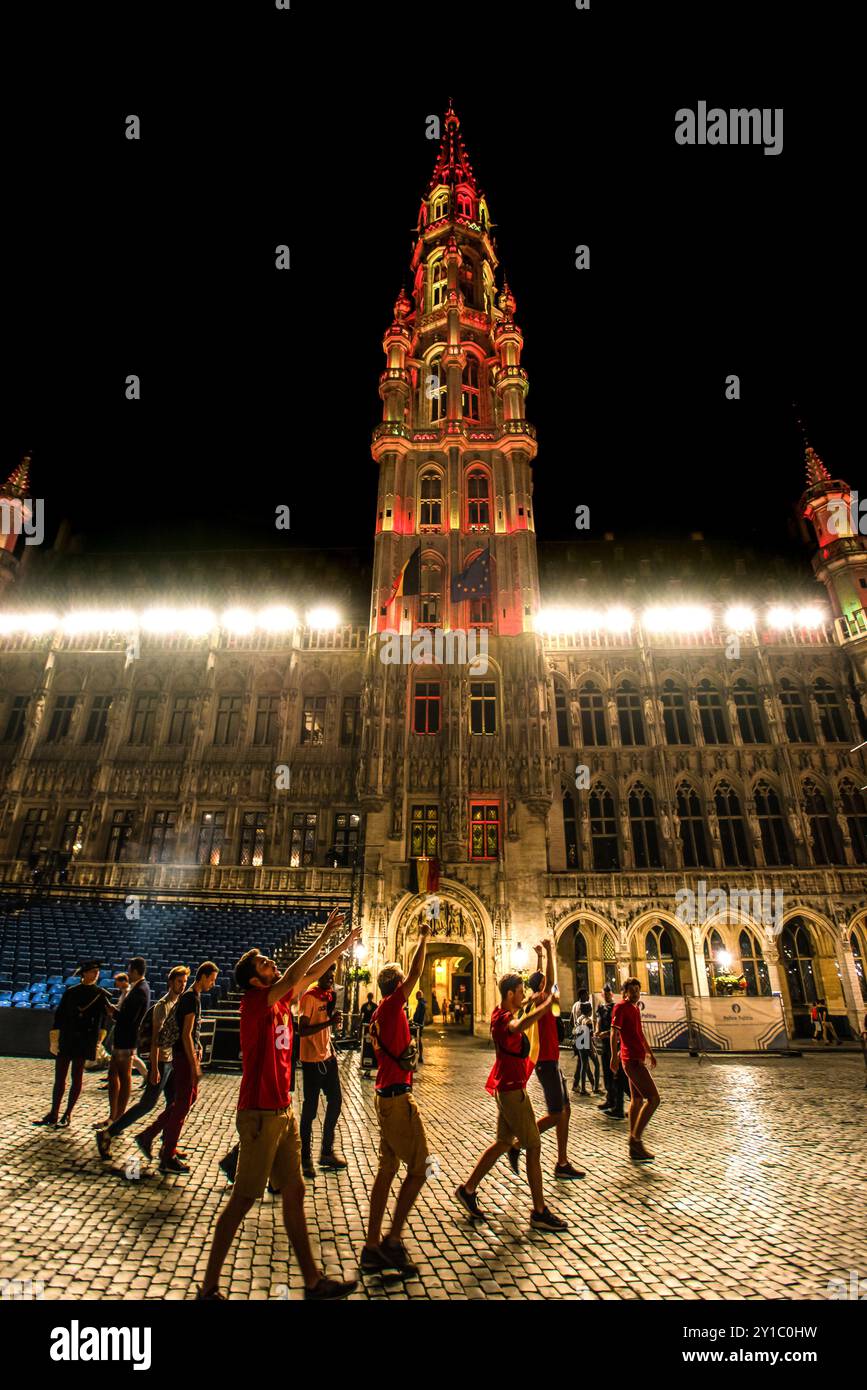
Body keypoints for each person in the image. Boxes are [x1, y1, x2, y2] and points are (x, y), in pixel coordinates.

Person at [198, 908, 360, 1301]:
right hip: (259, 1113)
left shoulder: (280, 998)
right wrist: (322, 933)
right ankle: (208, 1287)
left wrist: (343, 944)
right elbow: (292, 976)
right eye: (264, 963)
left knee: (295, 1191)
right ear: (256, 979)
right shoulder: (255, 1003)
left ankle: (313, 1281)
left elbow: (307, 975)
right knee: (241, 1201)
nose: (271, 962)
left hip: (283, 1110)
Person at [455, 973, 568, 1232]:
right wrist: (543, 1008)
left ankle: (468, 1189)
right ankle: (539, 1210)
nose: (522, 995)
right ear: (509, 994)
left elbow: (539, 992)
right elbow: (519, 1025)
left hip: (507, 1088)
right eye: (519, 991)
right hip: (512, 1092)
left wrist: (547, 959)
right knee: (534, 1146)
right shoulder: (503, 1020)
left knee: (503, 1143)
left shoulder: (499, 1012)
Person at [359, 921, 432, 1279]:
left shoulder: (379, 1014)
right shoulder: (390, 1007)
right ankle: (391, 1239)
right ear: (396, 986)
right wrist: (422, 938)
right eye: (403, 982)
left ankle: (372, 1246)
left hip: (384, 1096)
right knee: (420, 1168)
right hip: (397, 1100)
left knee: (386, 1171)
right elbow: (417, 970)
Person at [508, 941, 583, 1181]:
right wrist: (551, 952)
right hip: (545, 1060)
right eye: (544, 983)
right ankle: (518, 1144)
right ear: (541, 986)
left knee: (566, 1110)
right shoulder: (541, 997)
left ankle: (562, 1160)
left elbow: (542, 980)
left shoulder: (539, 997)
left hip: (552, 1059)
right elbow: (547, 981)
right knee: (556, 1113)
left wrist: (540, 957)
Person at [97, 965, 189, 1160]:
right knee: (147, 1104)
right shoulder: (162, 1006)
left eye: (185, 982)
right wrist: (153, 1068)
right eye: (179, 981)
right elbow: (156, 1040)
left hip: (170, 1060)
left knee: (174, 1103)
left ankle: (168, 1145)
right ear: (171, 982)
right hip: (162, 1062)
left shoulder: (178, 1004)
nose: (183, 985)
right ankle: (108, 1133)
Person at [135, 961, 218, 1173]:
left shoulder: (191, 997)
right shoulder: (191, 998)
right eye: (212, 979)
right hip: (183, 1057)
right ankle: (167, 1153)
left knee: (185, 1100)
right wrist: (194, 1064)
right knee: (182, 1104)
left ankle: (150, 1136)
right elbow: (186, 1034)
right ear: (203, 976)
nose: (213, 984)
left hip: (184, 1055)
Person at [34, 961, 115, 1128]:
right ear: (84, 973)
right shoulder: (71, 992)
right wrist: (55, 1038)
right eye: (92, 971)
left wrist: (97, 1041)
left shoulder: (101, 994)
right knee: (60, 1078)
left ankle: (67, 1113)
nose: (96, 974)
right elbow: (60, 1016)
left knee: (77, 1077)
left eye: (97, 972)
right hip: (68, 1037)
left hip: (85, 1040)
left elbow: (102, 1020)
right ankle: (54, 1112)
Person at [299, 962, 346, 1179]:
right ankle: (305, 1158)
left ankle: (326, 1151)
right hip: (311, 1060)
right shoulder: (309, 997)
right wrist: (327, 1024)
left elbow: (327, 1022)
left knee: (335, 1101)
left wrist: (333, 1023)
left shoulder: (330, 996)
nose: (330, 977)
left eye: (332, 973)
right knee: (310, 1109)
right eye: (327, 973)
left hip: (328, 1056)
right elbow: (303, 1029)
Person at [611, 978, 659, 1162]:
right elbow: (614, 1033)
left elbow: (639, 1034)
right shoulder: (621, 1008)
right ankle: (635, 1139)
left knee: (637, 1100)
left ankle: (634, 1145)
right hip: (631, 1060)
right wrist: (613, 1056)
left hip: (637, 1057)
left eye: (638, 990)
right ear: (624, 992)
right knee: (654, 1099)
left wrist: (650, 1053)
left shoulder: (635, 1009)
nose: (635, 993)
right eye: (632, 990)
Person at [107, 958, 151, 1123]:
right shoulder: (138, 988)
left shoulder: (140, 989)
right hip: (124, 1038)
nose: (128, 973)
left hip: (127, 1039)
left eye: (130, 970)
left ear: (135, 971)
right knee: (113, 1074)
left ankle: (117, 1116)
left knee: (123, 1077)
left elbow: (129, 1018)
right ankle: (114, 1115)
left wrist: (114, 1013)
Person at [359, 991, 377, 1074]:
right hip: (367, 1026)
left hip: (369, 1026)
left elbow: (361, 1015)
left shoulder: (371, 1006)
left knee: (368, 1042)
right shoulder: (373, 1006)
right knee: (366, 1042)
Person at [412, 989, 427, 1064]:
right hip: (419, 1023)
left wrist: (415, 1021)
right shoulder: (421, 1002)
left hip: (419, 1024)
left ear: (419, 996)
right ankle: (419, 1056)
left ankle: (420, 1056)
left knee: (419, 1039)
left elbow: (419, 1014)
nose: (415, 997)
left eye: (416, 995)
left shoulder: (421, 1003)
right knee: (418, 1039)